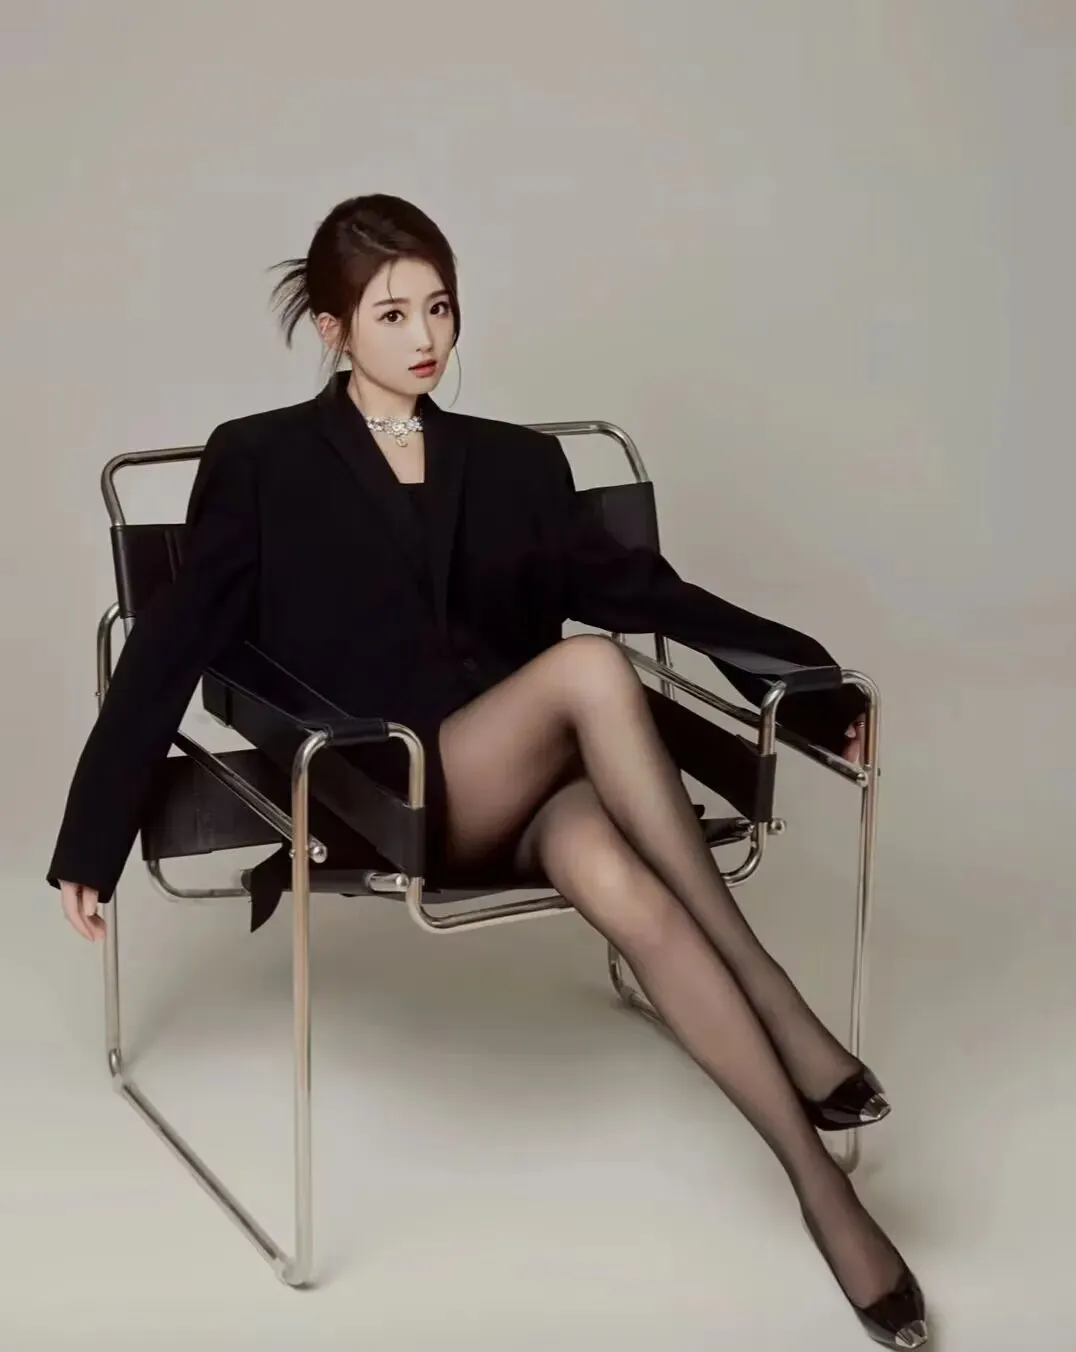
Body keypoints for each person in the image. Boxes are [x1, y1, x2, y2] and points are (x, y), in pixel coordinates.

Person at [48, 193, 927, 1347]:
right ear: (332, 329)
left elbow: (642, 591)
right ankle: (772, 991)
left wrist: (802, 677)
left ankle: (822, 1192)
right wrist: (94, 831)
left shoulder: (513, 463)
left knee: (618, 876)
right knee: (590, 668)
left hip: (528, 793)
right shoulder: (261, 459)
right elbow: (171, 644)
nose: (425, 337)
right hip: (390, 792)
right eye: (391, 313)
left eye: (441, 307)